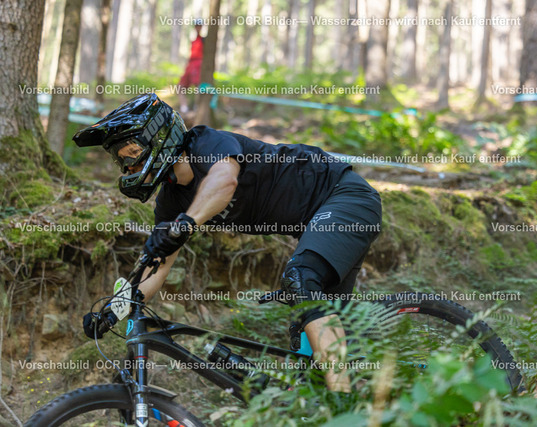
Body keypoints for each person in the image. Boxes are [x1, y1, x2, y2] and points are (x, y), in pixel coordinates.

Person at [73, 93, 382, 393]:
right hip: (317, 224)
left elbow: (224, 181)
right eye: (120, 159)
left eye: (131, 152)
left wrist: (185, 224)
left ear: (158, 136)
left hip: (344, 195)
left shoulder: (206, 143)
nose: (127, 166)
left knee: (301, 279)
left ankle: (343, 405)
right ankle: (363, 400)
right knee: (308, 346)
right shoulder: (171, 201)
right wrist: (115, 310)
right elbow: (158, 265)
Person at [178, 20, 204, 114]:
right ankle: (184, 108)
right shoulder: (193, 41)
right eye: (196, 25)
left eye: (199, 26)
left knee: (198, 87)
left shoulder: (203, 40)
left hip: (198, 64)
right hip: (190, 65)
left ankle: (197, 108)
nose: (198, 27)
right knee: (180, 87)